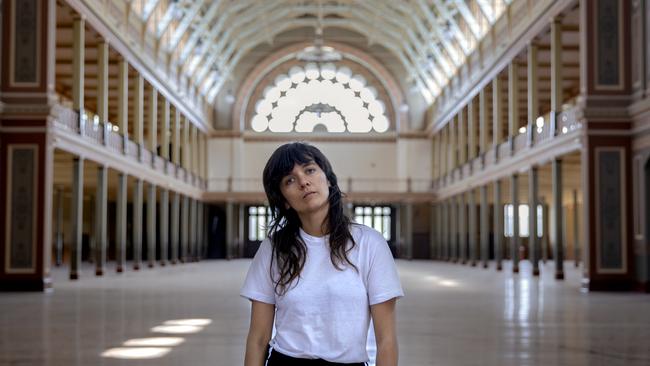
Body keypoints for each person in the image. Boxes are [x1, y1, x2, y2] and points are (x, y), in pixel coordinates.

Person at [241, 142, 404, 366]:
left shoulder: (369, 244)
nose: (303, 182)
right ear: (284, 201)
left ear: (327, 179)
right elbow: (258, 340)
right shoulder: (273, 249)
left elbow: (386, 341)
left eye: (309, 170)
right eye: (289, 180)